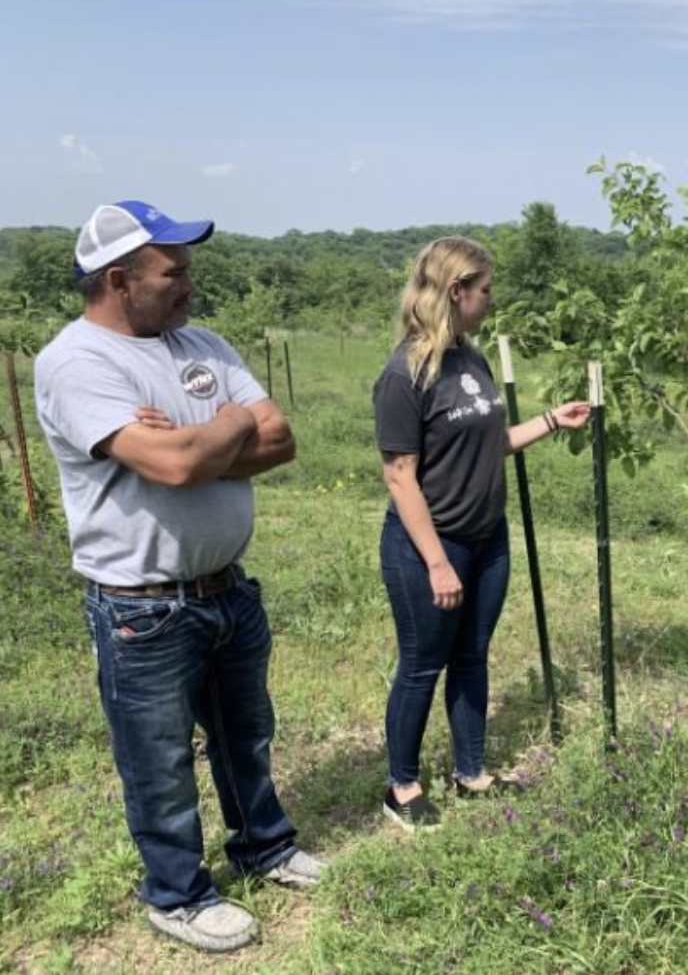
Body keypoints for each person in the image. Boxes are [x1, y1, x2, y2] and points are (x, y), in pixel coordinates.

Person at [34, 201, 325, 953]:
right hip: (142, 609)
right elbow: (174, 462)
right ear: (119, 279)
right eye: (175, 272)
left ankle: (264, 844)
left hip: (227, 589)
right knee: (158, 760)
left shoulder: (203, 342)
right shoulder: (74, 362)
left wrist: (199, 443)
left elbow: (281, 440)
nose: (190, 285)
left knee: (246, 734)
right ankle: (177, 893)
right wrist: (227, 425)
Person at [373, 236, 590, 831]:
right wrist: (437, 562)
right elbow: (400, 477)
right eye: (485, 290)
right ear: (456, 291)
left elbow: (490, 443)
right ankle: (402, 785)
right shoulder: (404, 374)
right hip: (429, 545)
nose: (492, 300)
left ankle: (471, 773)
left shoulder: (471, 359)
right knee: (423, 663)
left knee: (472, 656)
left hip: (486, 538)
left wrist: (551, 420)